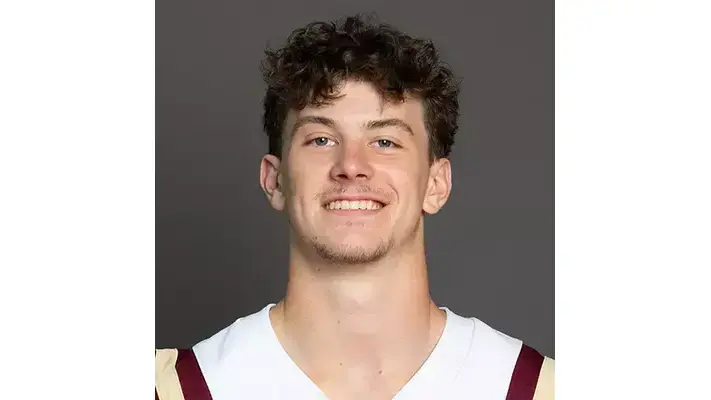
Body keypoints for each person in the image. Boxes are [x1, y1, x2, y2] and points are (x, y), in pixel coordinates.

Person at [155, 13, 554, 400]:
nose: (351, 166)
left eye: (385, 142)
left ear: (436, 184)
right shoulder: (174, 389)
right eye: (321, 140)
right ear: (275, 180)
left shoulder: (539, 388)